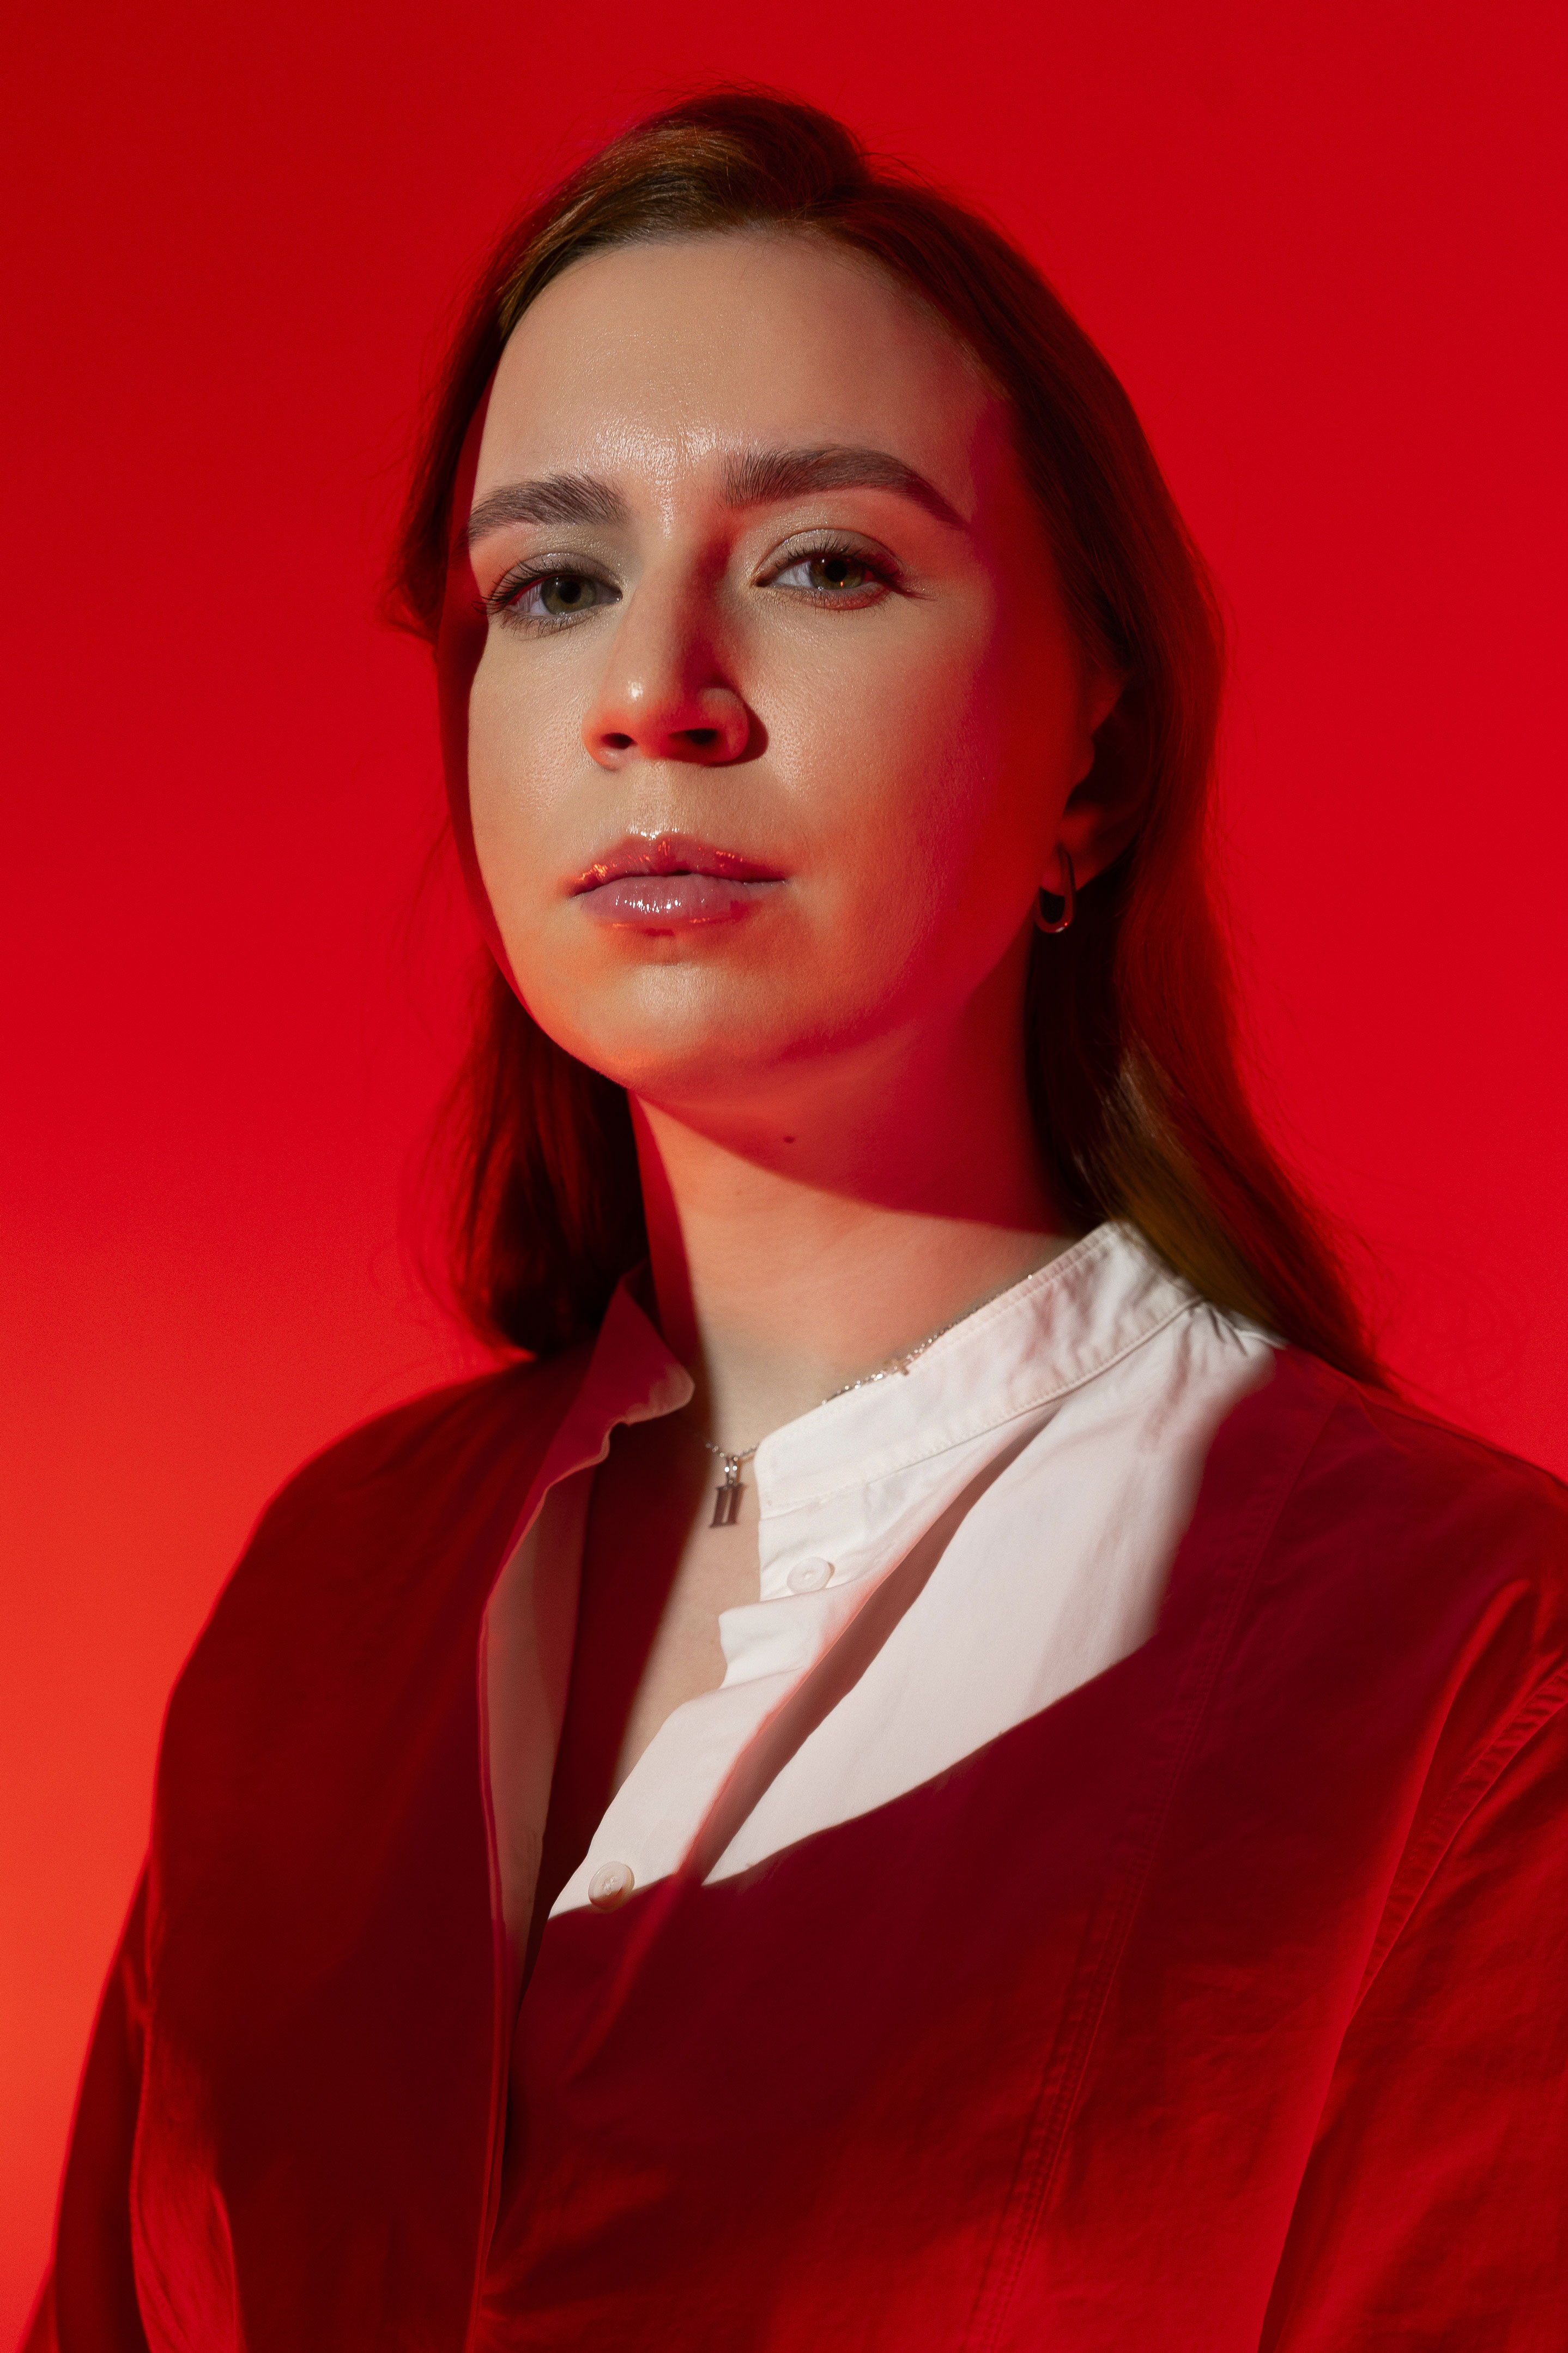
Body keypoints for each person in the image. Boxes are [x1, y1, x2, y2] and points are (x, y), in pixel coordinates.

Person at [28, 89, 1567, 2353]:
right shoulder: (320, 1608)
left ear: (1095, 753)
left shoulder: (1474, 1671)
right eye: (553, 584)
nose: (653, 695)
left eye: (824, 561)